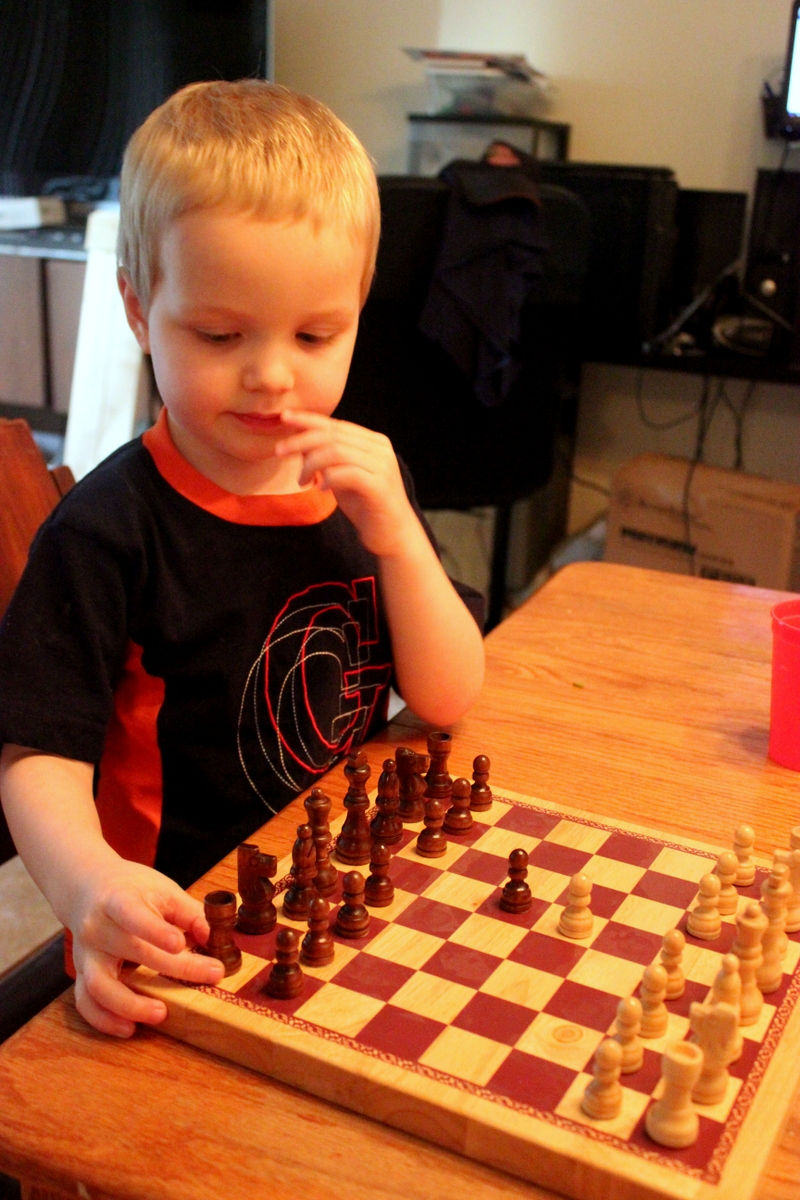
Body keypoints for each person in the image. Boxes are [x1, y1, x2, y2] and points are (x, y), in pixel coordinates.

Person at [0, 81, 485, 1038]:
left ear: (358, 312)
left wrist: (398, 537)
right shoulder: (108, 531)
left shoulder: (367, 489)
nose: (270, 374)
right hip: (173, 937)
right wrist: (90, 886)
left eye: (315, 335)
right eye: (219, 335)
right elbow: (35, 755)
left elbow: (447, 695)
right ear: (139, 310)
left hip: (336, 901)